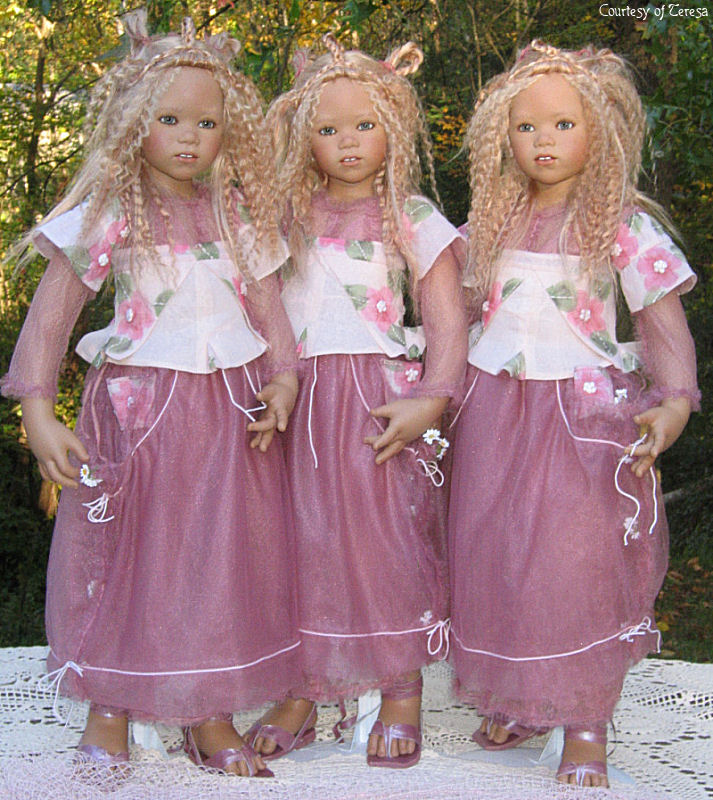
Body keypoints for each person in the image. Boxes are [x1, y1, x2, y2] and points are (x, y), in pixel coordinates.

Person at [1, 10, 301, 778]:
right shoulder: (113, 211)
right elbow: (50, 319)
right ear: (134, 120)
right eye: (169, 118)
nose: (189, 137)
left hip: (230, 414)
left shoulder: (235, 214)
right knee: (126, 551)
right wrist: (37, 409)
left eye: (206, 122)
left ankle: (208, 707)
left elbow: (269, 309)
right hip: (136, 412)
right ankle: (110, 703)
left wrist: (284, 378)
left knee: (221, 555)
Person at [448, 40, 700, 787]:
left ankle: (584, 714)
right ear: (503, 135)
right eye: (526, 127)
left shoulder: (618, 225)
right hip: (494, 411)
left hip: (582, 420)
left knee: (574, 562)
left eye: (563, 124)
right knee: (498, 554)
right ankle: (522, 693)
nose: (544, 141)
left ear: (601, 130)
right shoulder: (492, 222)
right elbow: (454, 309)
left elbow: (660, 325)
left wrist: (674, 401)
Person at [245, 34, 467, 769]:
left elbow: (446, 321)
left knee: (386, 541)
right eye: (328, 127)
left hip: (378, 403)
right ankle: (305, 685)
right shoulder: (286, 215)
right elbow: (260, 304)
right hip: (299, 399)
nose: (347, 142)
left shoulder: (411, 215)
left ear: (393, 127)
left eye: (365, 124)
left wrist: (433, 397)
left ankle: (400, 686)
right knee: (298, 541)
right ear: (302, 135)